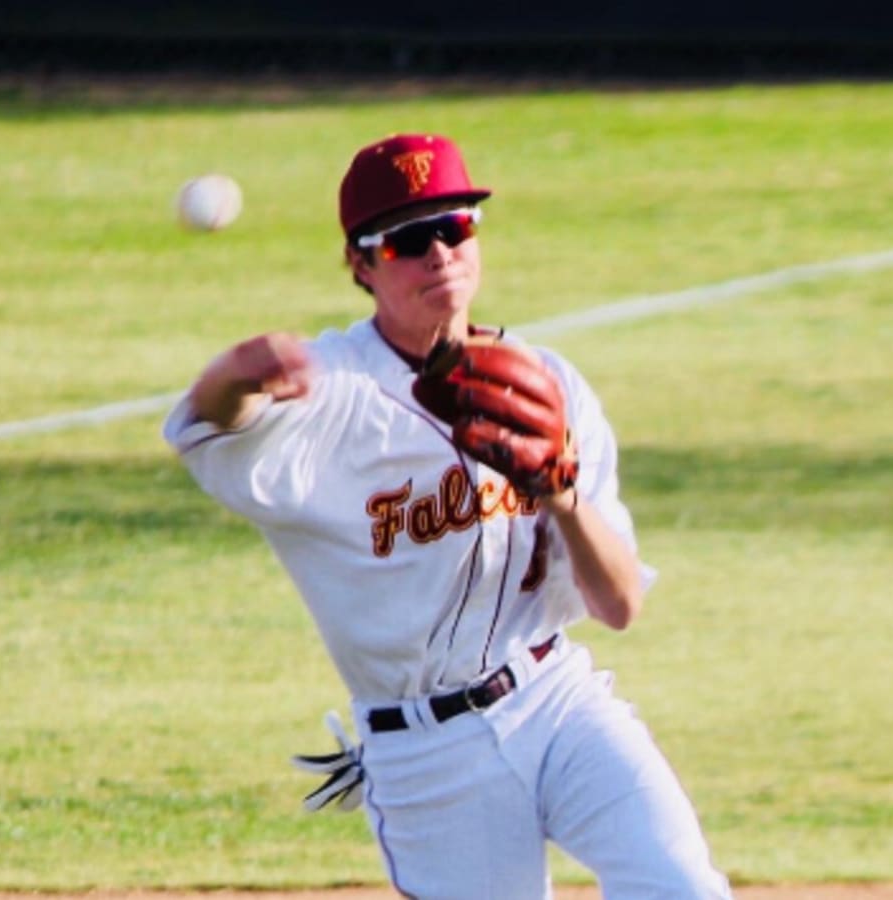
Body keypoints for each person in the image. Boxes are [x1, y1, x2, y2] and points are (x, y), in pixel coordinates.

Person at [163, 132, 731, 899]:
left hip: (556, 700)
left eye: (456, 227)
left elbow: (620, 603)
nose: (440, 254)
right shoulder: (330, 394)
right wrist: (235, 373)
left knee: (685, 889)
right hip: (426, 755)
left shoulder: (547, 382)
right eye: (407, 240)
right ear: (361, 265)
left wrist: (561, 494)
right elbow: (208, 427)